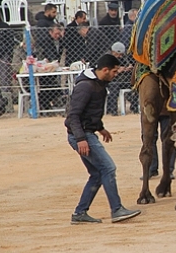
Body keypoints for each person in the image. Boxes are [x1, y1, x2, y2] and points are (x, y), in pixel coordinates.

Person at [65, 54, 142, 224]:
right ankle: (117, 210)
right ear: (105, 70)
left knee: (97, 174)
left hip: (86, 133)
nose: (116, 75)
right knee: (108, 168)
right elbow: (73, 115)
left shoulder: (98, 84)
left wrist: (100, 128)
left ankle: (80, 214)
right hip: (82, 135)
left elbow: (91, 112)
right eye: (114, 71)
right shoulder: (86, 86)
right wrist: (81, 139)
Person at [106, 42, 137, 115]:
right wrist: (117, 70)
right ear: (113, 51)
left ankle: (135, 108)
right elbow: (106, 72)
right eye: (118, 54)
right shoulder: (107, 57)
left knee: (136, 85)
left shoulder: (123, 57)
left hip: (123, 79)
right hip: (112, 81)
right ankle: (113, 111)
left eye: (121, 55)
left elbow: (126, 65)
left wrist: (127, 68)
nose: (120, 56)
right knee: (114, 86)